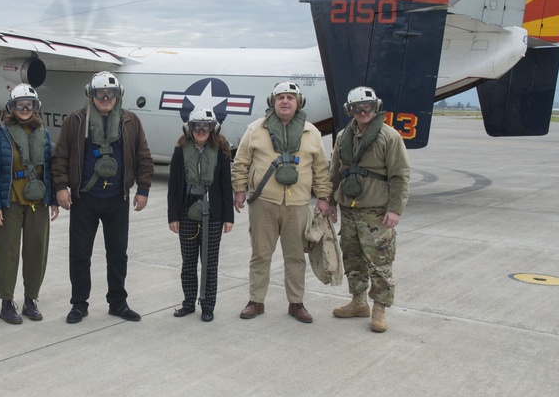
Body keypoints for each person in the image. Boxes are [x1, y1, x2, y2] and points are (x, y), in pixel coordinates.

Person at [51, 71, 154, 324]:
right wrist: (61, 186)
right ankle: (79, 304)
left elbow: (143, 156)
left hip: (117, 199)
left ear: (119, 95)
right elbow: (60, 155)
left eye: (111, 93)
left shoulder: (130, 121)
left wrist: (143, 189)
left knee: (118, 253)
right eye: (100, 93)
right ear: (91, 94)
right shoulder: (76, 121)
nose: (106, 97)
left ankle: (118, 302)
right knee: (80, 253)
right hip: (84, 199)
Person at [231, 81, 333, 323]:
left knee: (296, 256)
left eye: (290, 97)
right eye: (280, 98)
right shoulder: (255, 130)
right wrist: (239, 190)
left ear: (299, 102)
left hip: (297, 205)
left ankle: (296, 303)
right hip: (264, 204)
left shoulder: (312, 133)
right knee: (260, 255)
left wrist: (323, 197)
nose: (285, 101)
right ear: (272, 102)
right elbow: (241, 162)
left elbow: (320, 168)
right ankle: (256, 301)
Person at [328, 86, 410, 333]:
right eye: (357, 108)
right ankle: (358, 302)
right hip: (349, 210)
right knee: (352, 258)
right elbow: (334, 171)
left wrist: (395, 209)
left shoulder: (389, 137)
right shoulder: (343, 136)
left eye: (368, 107)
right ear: (349, 110)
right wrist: (330, 200)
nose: (363, 112)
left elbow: (400, 175)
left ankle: (379, 309)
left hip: (376, 211)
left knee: (380, 262)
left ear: (376, 108)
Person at [0, 84, 59, 324]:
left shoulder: (44, 134)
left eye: (29, 104)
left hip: (38, 199)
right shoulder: (2, 134)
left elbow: (49, 168)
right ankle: (7, 302)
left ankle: (31, 300)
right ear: (12, 107)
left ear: (36, 107)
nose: (25, 108)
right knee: (6, 252)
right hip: (11, 201)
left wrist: (53, 199)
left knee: (36, 251)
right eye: (20, 104)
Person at [167, 108, 234, 322]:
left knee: (210, 263)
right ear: (190, 127)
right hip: (187, 213)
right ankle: (188, 303)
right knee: (188, 262)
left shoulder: (222, 151)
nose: (201, 130)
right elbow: (173, 186)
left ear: (213, 128)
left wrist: (228, 217)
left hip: (213, 215)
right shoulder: (180, 150)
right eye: (197, 126)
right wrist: (173, 216)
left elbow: (226, 186)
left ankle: (207, 305)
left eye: (206, 126)